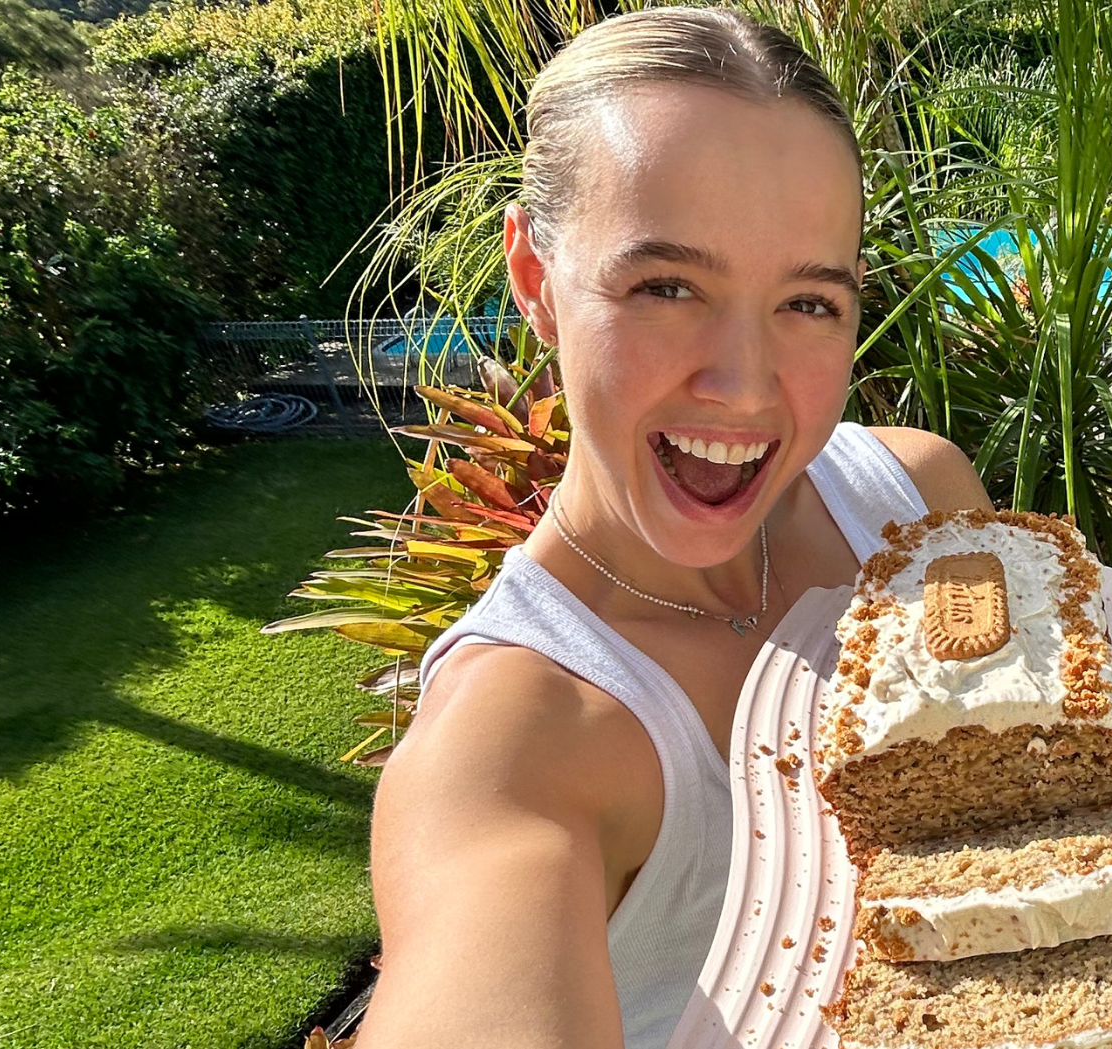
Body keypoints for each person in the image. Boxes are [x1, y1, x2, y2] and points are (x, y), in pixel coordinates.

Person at [359, 9, 991, 1047]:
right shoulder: (520, 738)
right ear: (535, 280)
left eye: (808, 302)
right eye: (666, 286)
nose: (743, 385)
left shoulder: (921, 507)